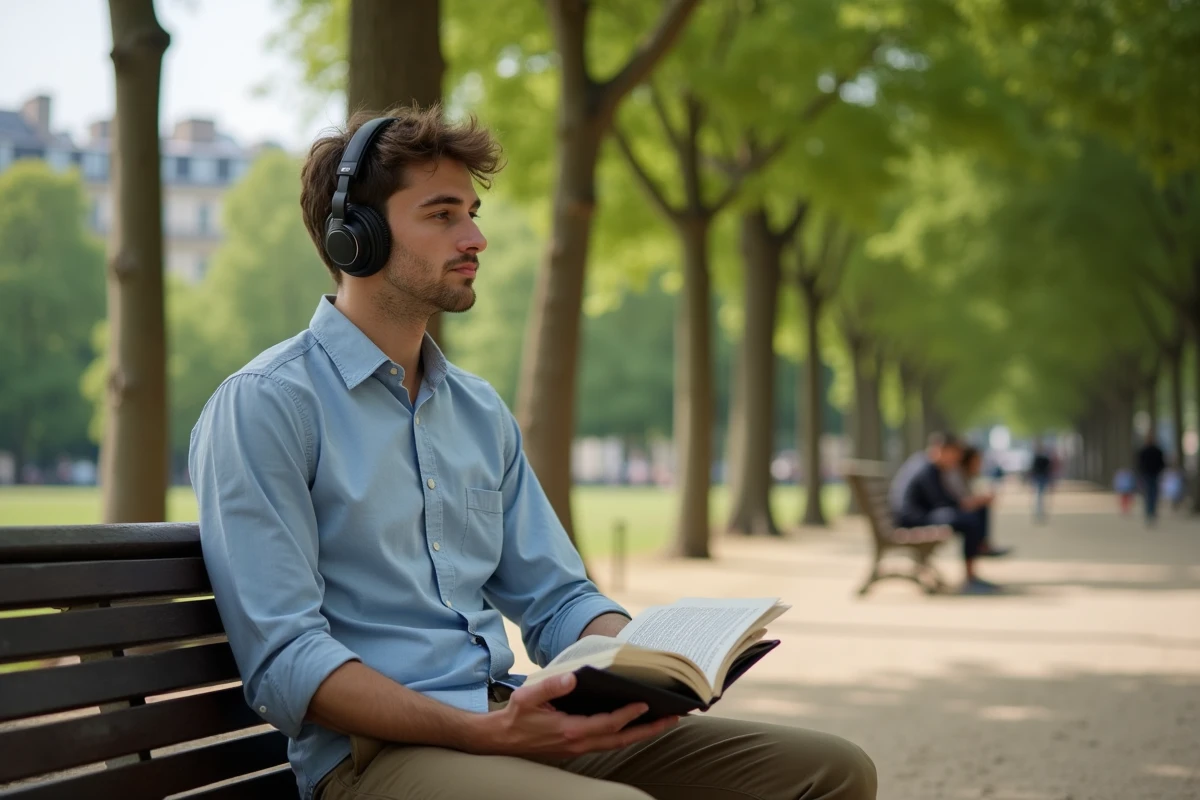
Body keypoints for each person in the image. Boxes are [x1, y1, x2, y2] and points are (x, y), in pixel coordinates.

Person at [188, 107, 876, 800]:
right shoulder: (268, 405)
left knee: (831, 771)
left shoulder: (477, 411)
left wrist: (648, 669)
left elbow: (557, 598)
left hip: (508, 719)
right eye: (443, 214)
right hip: (376, 758)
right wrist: (485, 735)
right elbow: (287, 660)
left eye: (473, 212)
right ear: (354, 237)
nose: (476, 237)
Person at [890, 433, 1007, 594]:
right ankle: (971, 574)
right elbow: (942, 502)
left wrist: (970, 503)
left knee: (976, 511)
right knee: (969, 520)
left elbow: (943, 501)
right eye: (954, 454)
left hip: (919, 516)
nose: (956, 460)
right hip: (913, 519)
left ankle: (980, 548)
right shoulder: (926, 469)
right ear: (941, 450)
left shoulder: (927, 465)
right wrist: (969, 503)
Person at [1136, 434, 1167, 526]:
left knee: (1151, 494)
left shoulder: (1152, 451)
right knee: (1151, 494)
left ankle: (1151, 512)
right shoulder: (1150, 451)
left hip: (1153, 475)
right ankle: (1150, 512)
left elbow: (1161, 463)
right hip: (1149, 475)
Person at [1028, 443, 1054, 523]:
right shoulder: (1045, 459)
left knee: (1039, 495)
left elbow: (1033, 469)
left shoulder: (1037, 458)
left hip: (1039, 478)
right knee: (1041, 495)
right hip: (1042, 478)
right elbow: (1049, 469)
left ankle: (1039, 511)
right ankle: (1040, 511)